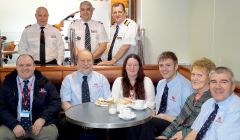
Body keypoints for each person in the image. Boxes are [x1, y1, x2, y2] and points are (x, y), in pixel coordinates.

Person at [0, 54, 61, 140]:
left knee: (50, 134)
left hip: (40, 125)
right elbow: (1, 107)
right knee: (2, 136)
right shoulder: (7, 83)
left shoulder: (45, 83)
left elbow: (56, 103)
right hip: (13, 125)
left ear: (34, 67)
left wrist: (43, 118)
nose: (25, 68)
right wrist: (13, 124)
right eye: (21, 65)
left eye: (28, 65)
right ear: (16, 67)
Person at [157, 58, 216, 140]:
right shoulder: (191, 97)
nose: (195, 78)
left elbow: (201, 128)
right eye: (193, 74)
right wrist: (165, 135)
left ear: (210, 78)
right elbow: (178, 120)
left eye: (200, 75)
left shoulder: (211, 101)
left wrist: (182, 134)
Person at [60, 49, 111, 140]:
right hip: (75, 117)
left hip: (97, 117)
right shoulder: (69, 79)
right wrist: (80, 118)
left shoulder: (102, 79)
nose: (86, 63)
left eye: (88, 60)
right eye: (82, 61)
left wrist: (94, 119)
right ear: (77, 62)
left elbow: (108, 101)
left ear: (93, 62)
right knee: (64, 124)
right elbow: (65, 103)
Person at [185, 67, 240, 140]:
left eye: (224, 82)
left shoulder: (236, 110)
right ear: (209, 85)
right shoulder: (208, 103)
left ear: (233, 86)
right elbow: (194, 132)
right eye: (213, 82)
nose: (218, 86)